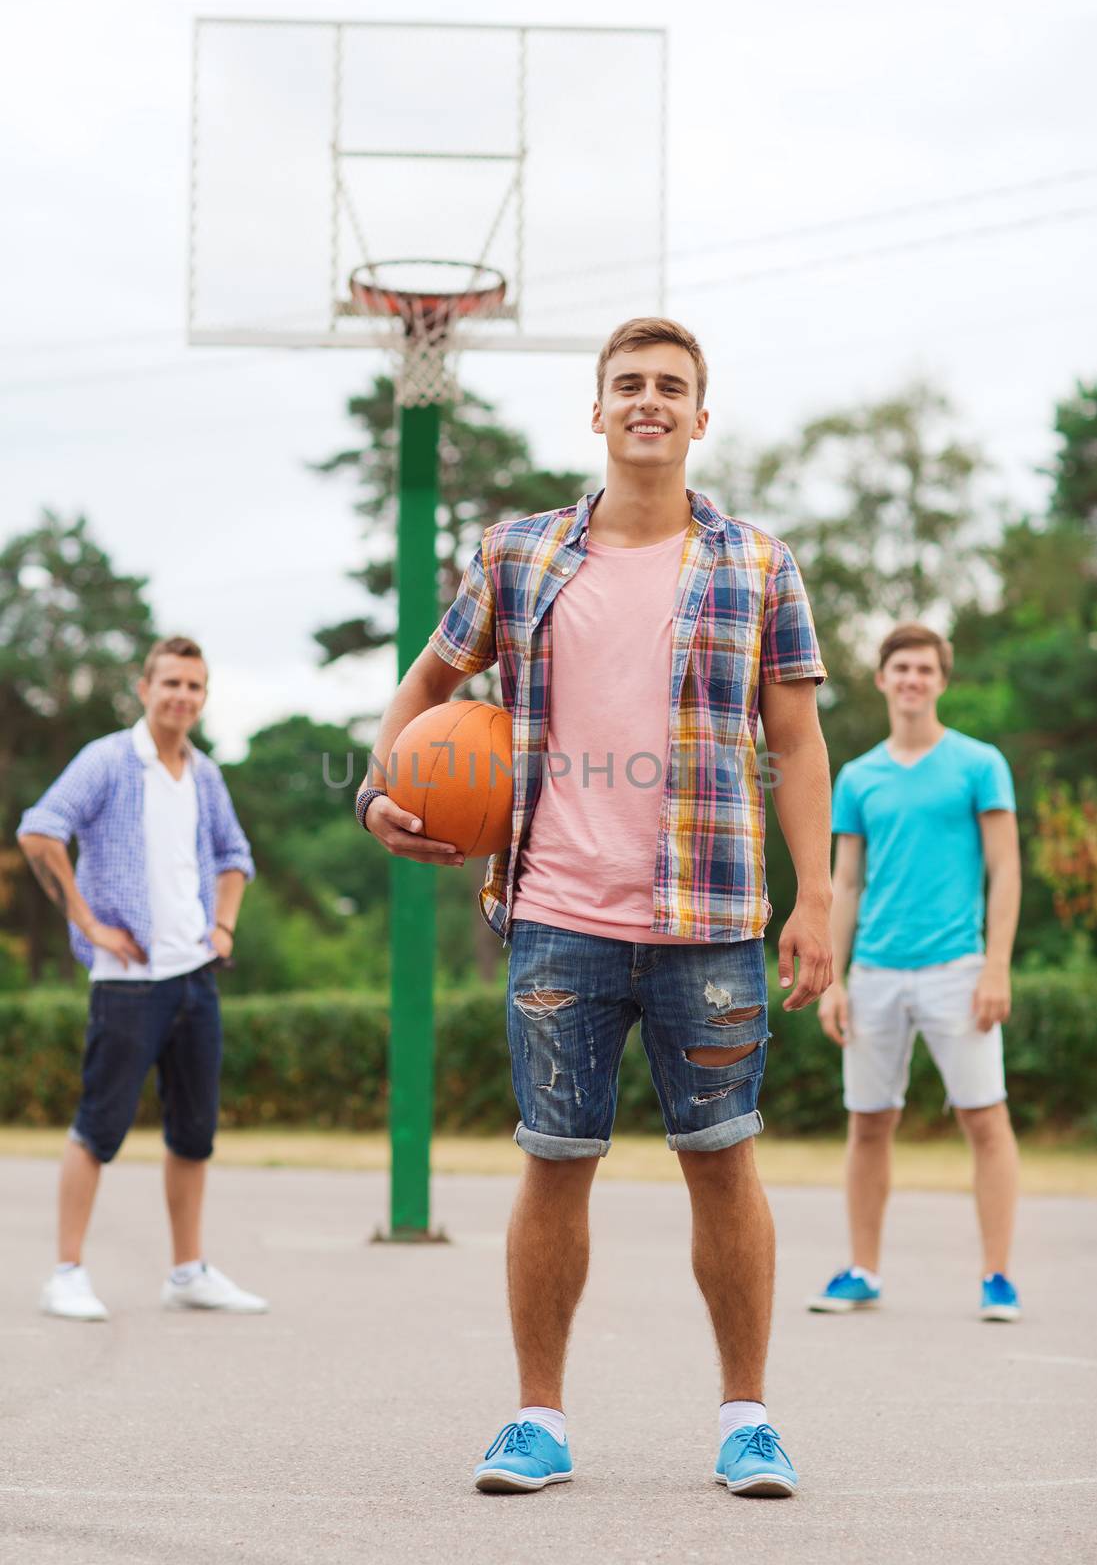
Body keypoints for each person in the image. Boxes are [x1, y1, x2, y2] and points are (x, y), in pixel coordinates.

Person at [357, 318, 832, 1497]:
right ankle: (536, 1420)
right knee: (553, 1161)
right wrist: (381, 788)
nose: (648, 401)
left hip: (709, 916)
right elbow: (429, 679)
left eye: (670, 386)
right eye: (628, 384)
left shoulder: (758, 563)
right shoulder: (517, 554)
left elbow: (797, 737)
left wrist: (816, 893)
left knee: (721, 1161)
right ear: (597, 409)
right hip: (558, 917)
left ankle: (745, 1421)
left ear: (699, 416)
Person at [18, 636, 267, 1322]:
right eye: (171, 684)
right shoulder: (106, 761)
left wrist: (223, 928)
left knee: (194, 1133)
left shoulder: (205, 774)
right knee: (98, 1127)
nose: (182, 696)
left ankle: (187, 1272)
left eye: (195, 686)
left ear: (204, 697)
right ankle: (65, 1273)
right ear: (144, 688)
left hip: (196, 976)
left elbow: (233, 854)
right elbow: (41, 831)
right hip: (127, 981)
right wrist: (89, 924)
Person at [808, 624, 1023, 1322]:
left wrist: (995, 966)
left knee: (982, 1119)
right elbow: (844, 885)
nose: (911, 679)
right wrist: (833, 979)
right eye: (899, 667)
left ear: (940, 679)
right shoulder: (857, 776)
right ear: (880, 678)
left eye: (924, 669)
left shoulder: (978, 764)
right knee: (868, 1124)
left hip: (957, 969)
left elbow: (1004, 869)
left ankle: (996, 1278)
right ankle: (861, 1271)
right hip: (873, 972)